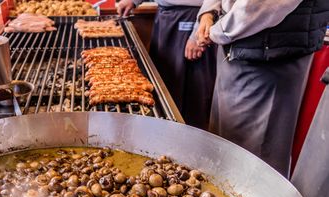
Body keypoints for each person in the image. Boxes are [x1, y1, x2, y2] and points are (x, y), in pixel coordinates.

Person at [195, 0, 329, 177]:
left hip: (269, 56)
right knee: (226, 144)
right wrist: (208, 13)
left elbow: (261, 6)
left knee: (254, 160)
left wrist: (219, 31)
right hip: (237, 45)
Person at [118, 0, 216, 130]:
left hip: (192, 18)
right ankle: (164, 135)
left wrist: (196, 34)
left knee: (193, 95)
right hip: (166, 16)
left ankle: (189, 141)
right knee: (163, 85)